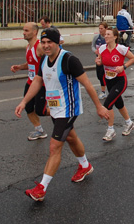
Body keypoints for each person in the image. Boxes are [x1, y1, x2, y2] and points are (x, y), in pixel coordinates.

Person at [15, 27, 109, 202]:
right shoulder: (44, 59)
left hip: (68, 109)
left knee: (54, 146)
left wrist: (99, 106)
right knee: (71, 137)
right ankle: (85, 165)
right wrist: (24, 102)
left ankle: (41, 188)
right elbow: (37, 80)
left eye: (49, 42)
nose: (46, 45)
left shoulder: (69, 59)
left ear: (58, 42)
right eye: (43, 43)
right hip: (54, 107)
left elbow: (87, 84)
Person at [96, 27, 134, 141]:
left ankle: (110, 130)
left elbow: (133, 58)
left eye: (109, 34)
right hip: (109, 80)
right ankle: (129, 123)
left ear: (115, 37)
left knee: (108, 104)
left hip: (120, 81)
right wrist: (98, 62)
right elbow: (100, 60)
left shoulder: (121, 49)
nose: (106, 36)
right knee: (119, 104)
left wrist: (123, 66)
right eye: (105, 34)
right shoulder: (102, 48)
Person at [11, 23, 49, 140]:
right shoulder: (28, 48)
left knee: (41, 111)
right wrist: (20, 67)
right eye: (23, 30)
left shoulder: (40, 47)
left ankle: (62, 113)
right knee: (28, 108)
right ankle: (39, 131)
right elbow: (31, 64)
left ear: (34, 32)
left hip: (41, 84)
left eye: (26, 30)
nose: (23, 32)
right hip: (30, 82)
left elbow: (50, 62)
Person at [91, 22, 108, 99]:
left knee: (103, 76)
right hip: (98, 59)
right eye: (99, 28)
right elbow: (93, 46)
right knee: (99, 75)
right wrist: (95, 51)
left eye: (102, 28)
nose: (100, 30)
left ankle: (104, 92)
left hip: (106, 60)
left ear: (106, 29)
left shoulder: (107, 38)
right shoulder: (96, 37)